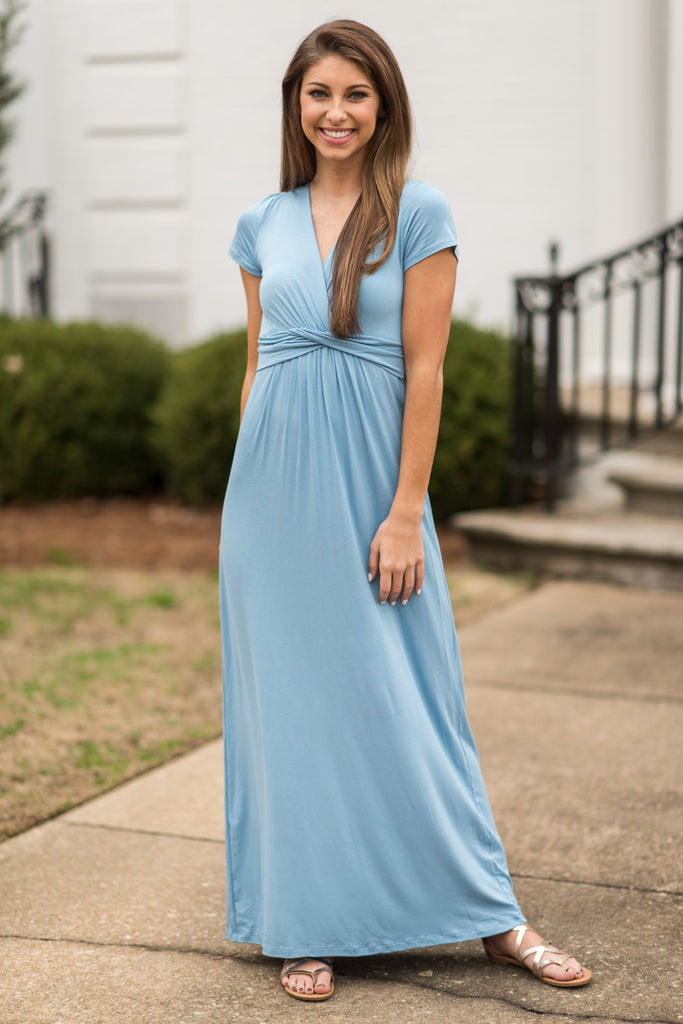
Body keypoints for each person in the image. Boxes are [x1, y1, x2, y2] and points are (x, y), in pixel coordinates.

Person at [220, 18, 592, 1002]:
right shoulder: (260, 222)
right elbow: (258, 365)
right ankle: (306, 917)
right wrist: (244, 510)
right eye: (317, 95)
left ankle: (492, 913)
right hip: (269, 504)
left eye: (353, 94)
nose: (334, 112)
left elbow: (424, 370)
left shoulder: (417, 213)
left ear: (382, 106)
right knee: (292, 711)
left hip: (375, 491)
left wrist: (404, 511)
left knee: (413, 700)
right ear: (294, 108)